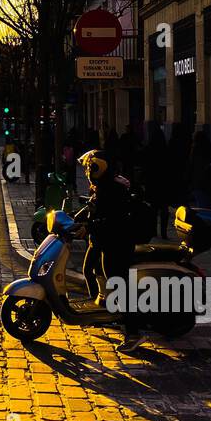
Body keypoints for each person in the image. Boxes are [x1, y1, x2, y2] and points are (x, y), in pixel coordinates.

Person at [78, 148, 145, 355]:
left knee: (120, 286)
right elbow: (94, 209)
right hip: (109, 241)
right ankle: (104, 313)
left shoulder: (111, 189)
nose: (89, 171)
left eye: (91, 167)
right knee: (99, 275)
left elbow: (110, 220)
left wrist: (88, 227)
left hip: (117, 243)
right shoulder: (104, 186)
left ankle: (133, 333)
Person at [140, 123, 170, 238]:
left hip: (152, 182)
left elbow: (144, 164)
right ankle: (164, 232)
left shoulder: (149, 149)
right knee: (164, 208)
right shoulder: (166, 150)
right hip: (163, 183)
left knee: (153, 208)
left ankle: (153, 230)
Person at [186, 131, 211, 209]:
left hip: (197, 183)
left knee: (202, 206)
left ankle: (205, 220)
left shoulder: (194, 151)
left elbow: (191, 167)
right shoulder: (210, 149)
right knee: (207, 206)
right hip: (209, 184)